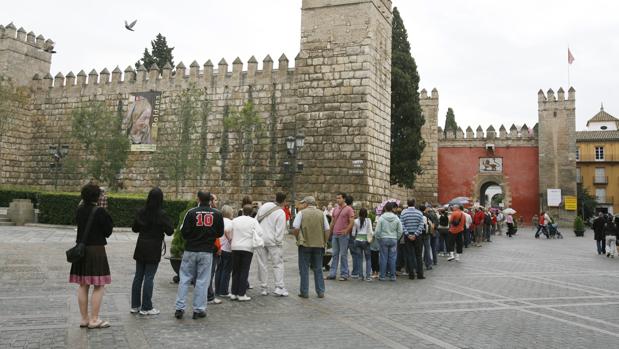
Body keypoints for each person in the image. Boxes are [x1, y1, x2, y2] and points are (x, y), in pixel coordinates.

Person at [69, 183, 114, 329]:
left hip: (81, 249)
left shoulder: (79, 210)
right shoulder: (100, 211)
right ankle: (94, 320)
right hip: (96, 251)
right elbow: (108, 231)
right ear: (98, 196)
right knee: (99, 285)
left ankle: (84, 319)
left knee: (83, 285)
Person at [174, 191, 224, 320]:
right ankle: (199, 309)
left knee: (184, 279)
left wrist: (193, 237)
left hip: (191, 249)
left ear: (198, 199)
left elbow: (183, 232)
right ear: (211, 200)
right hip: (206, 251)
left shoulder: (191, 213)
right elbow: (219, 233)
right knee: (202, 281)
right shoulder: (217, 214)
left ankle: (180, 308)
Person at [130, 187, 174, 316]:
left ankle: (135, 305)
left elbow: (134, 229)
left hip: (141, 245)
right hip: (153, 247)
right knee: (149, 277)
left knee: (138, 276)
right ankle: (146, 307)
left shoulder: (141, 212)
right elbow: (170, 230)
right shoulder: (161, 214)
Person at [292, 196, 330, 298]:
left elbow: (295, 228)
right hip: (318, 245)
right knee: (318, 268)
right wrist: (325, 242)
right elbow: (327, 230)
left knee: (304, 269)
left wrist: (298, 238)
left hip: (305, 244)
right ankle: (320, 291)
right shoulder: (322, 214)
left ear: (306, 204)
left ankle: (304, 292)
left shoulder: (301, 213)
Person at [255, 192, 289, 297]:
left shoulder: (265, 206)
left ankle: (263, 287)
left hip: (261, 239)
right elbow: (280, 230)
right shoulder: (281, 212)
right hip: (273, 242)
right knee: (277, 264)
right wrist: (279, 242)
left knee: (262, 264)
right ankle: (279, 287)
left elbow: (256, 220)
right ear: (284, 201)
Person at [230, 205, 264, 301]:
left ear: (243, 211)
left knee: (235, 271)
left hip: (235, 247)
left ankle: (233, 293)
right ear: (251, 212)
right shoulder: (253, 221)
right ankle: (241, 294)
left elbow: (229, 230)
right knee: (244, 270)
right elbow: (260, 232)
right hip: (247, 248)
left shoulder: (235, 220)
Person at [327, 192, 354, 281]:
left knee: (343, 255)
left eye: (339, 198)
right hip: (335, 234)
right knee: (335, 254)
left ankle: (344, 274)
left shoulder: (349, 209)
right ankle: (332, 274)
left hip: (343, 236)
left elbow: (352, 222)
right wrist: (329, 233)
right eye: (337, 198)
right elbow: (332, 222)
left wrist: (346, 230)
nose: (338, 200)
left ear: (344, 199)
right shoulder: (335, 209)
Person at [375, 202, 403, 281]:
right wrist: (396, 238)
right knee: (393, 258)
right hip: (393, 239)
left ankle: (382, 276)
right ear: (392, 209)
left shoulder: (381, 218)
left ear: (385, 208)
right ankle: (393, 276)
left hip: (383, 239)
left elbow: (377, 231)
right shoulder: (396, 218)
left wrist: (378, 238)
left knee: (383, 258)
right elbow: (400, 230)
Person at [400, 199, 425, 280]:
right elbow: (421, 225)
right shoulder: (419, 213)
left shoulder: (403, 213)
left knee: (409, 255)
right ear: (414, 203)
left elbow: (402, 224)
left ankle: (411, 275)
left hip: (408, 236)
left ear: (407, 204)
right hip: (417, 236)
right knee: (418, 256)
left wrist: (408, 234)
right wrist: (416, 234)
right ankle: (420, 274)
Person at [214, 205, 234, 298]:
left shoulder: (218, 220)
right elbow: (228, 232)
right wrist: (230, 240)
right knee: (226, 270)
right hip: (227, 248)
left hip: (219, 248)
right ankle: (224, 290)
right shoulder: (231, 222)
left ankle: (217, 289)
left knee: (219, 269)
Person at [351, 208, 374, 281]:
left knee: (359, 259)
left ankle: (360, 276)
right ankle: (368, 276)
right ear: (366, 213)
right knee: (368, 259)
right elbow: (370, 231)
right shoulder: (368, 220)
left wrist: (355, 238)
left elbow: (353, 233)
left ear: (359, 213)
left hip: (357, 240)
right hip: (366, 241)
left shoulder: (355, 221)